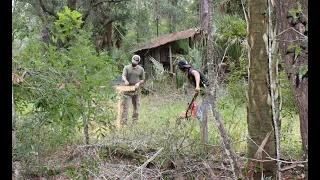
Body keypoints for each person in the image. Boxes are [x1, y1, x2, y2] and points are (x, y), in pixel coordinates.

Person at [177, 58, 210, 123]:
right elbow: (196, 92)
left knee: (199, 112)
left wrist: (197, 86)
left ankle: (204, 130)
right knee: (200, 110)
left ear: (181, 68)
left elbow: (196, 73)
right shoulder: (190, 77)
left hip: (208, 93)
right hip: (205, 95)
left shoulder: (191, 71)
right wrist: (191, 104)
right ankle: (204, 129)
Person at [120, 55, 145, 125]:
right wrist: (125, 80)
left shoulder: (141, 69)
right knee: (125, 107)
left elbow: (143, 79)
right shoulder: (127, 67)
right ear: (131, 60)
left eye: (136, 62)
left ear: (138, 62)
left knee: (136, 107)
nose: (134, 63)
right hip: (127, 90)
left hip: (136, 91)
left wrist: (139, 83)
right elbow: (123, 76)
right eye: (133, 61)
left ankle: (135, 122)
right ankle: (123, 122)